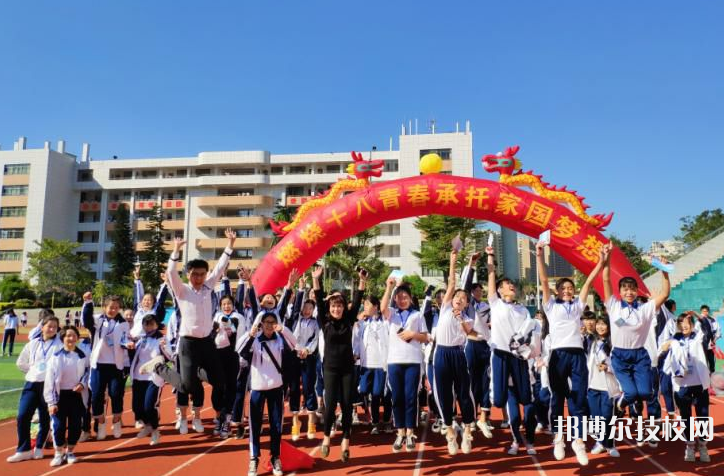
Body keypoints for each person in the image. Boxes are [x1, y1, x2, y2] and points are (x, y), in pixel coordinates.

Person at [144, 229, 236, 432]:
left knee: (220, 382)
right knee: (186, 387)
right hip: (188, 344)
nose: (199, 277)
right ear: (188, 275)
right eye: (194, 274)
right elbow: (170, 273)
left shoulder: (208, 287)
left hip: (207, 343)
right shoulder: (182, 290)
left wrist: (230, 245)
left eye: (202, 274)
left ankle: (199, 376)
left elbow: (220, 268)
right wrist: (176, 251)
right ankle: (159, 367)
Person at [537, 239, 601, 465]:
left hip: (576, 355)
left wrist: (601, 262)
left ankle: (578, 441)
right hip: (558, 355)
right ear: (557, 291)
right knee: (558, 398)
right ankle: (558, 437)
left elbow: (589, 282)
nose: (567, 290)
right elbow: (543, 280)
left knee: (579, 399)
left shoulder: (577, 306)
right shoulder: (550, 306)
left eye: (570, 288)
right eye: (563, 288)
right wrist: (539, 255)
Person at [601, 243, 671, 417]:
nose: (629, 292)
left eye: (632, 289)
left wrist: (664, 272)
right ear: (620, 292)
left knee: (647, 393)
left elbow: (665, 294)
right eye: (625, 289)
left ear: (636, 291)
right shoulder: (614, 306)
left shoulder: (644, 309)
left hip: (640, 355)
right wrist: (607, 258)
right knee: (631, 393)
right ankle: (622, 402)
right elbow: (605, 280)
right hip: (620, 356)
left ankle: (631, 401)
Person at [485, 242, 538, 455]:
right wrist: (490, 257)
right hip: (500, 355)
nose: (511, 286)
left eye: (512, 284)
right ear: (499, 290)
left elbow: (529, 332)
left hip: (519, 357)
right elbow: (490, 277)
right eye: (507, 284)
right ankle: (516, 441)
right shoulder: (495, 304)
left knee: (527, 400)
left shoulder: (523, 309)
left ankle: (530, 441)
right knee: (501, 401)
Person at [314, 265, 365, 462]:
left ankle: (345, 440)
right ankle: (326, 438)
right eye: (334, 306)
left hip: (347, 369)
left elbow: (359, 298)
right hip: (329, 368)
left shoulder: (349, 321)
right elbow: (319, 301)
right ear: (330, 308)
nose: (337, 309)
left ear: (344, 307)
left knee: (346, 405)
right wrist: (316, 279)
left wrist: (361, 281)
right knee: (330, 405)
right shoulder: (324, 321)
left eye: (340, 306)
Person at [238, 311, 298, 476]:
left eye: (273, 322)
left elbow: (294, 344)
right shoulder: (255, 341)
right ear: (261, 324)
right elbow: (240, 350)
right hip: (257, 388)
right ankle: (253, 459)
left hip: (276, 387)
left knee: (276, 425)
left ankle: (275, 457)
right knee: (255, 426)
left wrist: (283, 329)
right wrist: (251, 334)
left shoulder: (280, 340)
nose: (269, 325)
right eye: (266, 322)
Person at [433, 248, 476, 455]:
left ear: (467, 303)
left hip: (458, 355)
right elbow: (451, 283)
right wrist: (454, 259)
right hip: (441, 354)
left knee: (464, 394)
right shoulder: (444, 308)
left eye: (463, 298)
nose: (458, 298)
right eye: (457, 296)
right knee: (443, 395)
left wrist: (461, 319)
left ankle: (467, 431)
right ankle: (450, 432)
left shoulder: (466, 318)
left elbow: (469, 332)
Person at [380, 274, 428, 454]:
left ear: (410, 298)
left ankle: (410, 432)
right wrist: (389, 287)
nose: (402, 300)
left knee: (410, 398)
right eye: (399, 297)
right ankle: (399, 432)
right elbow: (383, 307)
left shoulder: (417, 315)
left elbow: (426, 337)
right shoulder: (391, 314)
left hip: (413, 361)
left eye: (405, 297)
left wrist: (412, 335)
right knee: (397, 398)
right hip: (394, 361)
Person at [7, 314, 62, 463]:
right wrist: (32, 370)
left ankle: (39, 447)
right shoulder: (33, 344)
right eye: (49, 326)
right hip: (31, 384)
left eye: (55, 327)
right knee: (23, 416)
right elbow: (21, 362)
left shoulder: (59, 344)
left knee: (45, 419)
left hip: (49, 386)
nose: (52, 329)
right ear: (42, 327)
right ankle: (23, 450)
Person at [660, 312, 711, 463]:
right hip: (682, 385)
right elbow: (662, 353)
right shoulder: (674, 339)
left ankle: (702, 446)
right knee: (686, 417)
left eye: (687, 323)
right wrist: (665, 348)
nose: (683, 326)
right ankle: (689, 446)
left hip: (699, 383)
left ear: (692, 324)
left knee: (703, 417)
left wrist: (699, 316)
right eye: (681, 323)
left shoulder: (699, 337)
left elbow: (707, 329)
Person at [82, 294, 129, 440]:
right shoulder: (98, 320)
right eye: (110, 307)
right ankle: (101, 424)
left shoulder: (123, 324)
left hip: (116, 366)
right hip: (98, 365)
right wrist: (88, 302)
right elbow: (86, 320)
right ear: (104, 307)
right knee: (96, 396)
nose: (113, 310)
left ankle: (116, 422)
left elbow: (124, 340)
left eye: (116, 308)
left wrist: (128, 344)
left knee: (116, 395)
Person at [44, 326, 90, 467]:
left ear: (77, 338)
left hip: (76, 396)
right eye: (68, 336)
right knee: (58, 426)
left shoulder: (82, 356)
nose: (71, 338)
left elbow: (88, 372)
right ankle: (58, 453)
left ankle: (70, 451)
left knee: (76, 425)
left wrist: (82, 384)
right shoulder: (56, 357)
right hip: (59, 396)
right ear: (63, 338)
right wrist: (51, 402)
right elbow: (50, 380)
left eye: (74, 335)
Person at [460, 253, 494, 437]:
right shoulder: (469, 304)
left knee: (486, 382)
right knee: (471, 382)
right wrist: (471, 264)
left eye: (481, 291)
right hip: (471, 346)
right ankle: (470, 419)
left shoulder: (489, 305)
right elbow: (464, 285)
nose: (479, 293)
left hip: (486, 346)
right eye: (476, 291)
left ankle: (484, 418)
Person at [288, 276, 320, 441]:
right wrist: (301, 288)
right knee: (294, 389)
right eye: (305, 307)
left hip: (308, 358)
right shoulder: (296, 319)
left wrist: (307, 350)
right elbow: (292, 338)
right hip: (294, 357)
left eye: (309, 308)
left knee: (308, 388)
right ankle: (295, 421)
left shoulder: (315, 323)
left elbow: (315, 339)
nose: (306, 310)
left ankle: (311, 421)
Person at [132, 315, 169, 445]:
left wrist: (164, 347)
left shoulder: (161, 339)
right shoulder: (140, 339)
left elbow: (169, 357)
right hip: (138, 375)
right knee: (137, 406)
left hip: (153, 377)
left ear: (157, 325)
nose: (148, 327)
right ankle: (147, 426)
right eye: (146, 324)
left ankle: (155, 431)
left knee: (149, 405)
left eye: (151, 324)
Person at [586, 316, 621, 457]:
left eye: (603, 324)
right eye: (598, 324)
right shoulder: (591, 341)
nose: (600, 327)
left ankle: (609, 445)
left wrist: (608, 367)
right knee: (595, 417)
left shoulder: (614, 343)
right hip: (593, 385)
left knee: (607, 417)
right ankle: (601, 442)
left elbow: (619, 364)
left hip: (608, 387)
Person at [697, 305, 720, 374]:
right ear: (701, 312)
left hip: (711, 345)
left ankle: (712, 376)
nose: (705, 313)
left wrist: (714, 340)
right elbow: (696, 332)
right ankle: (704, 377)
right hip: (702, 344)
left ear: (708, 312)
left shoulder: (713, 320)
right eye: (703, 311)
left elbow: (718, 332)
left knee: (711, 362)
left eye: (706, 311)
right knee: (703, 361)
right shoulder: (698, 321)